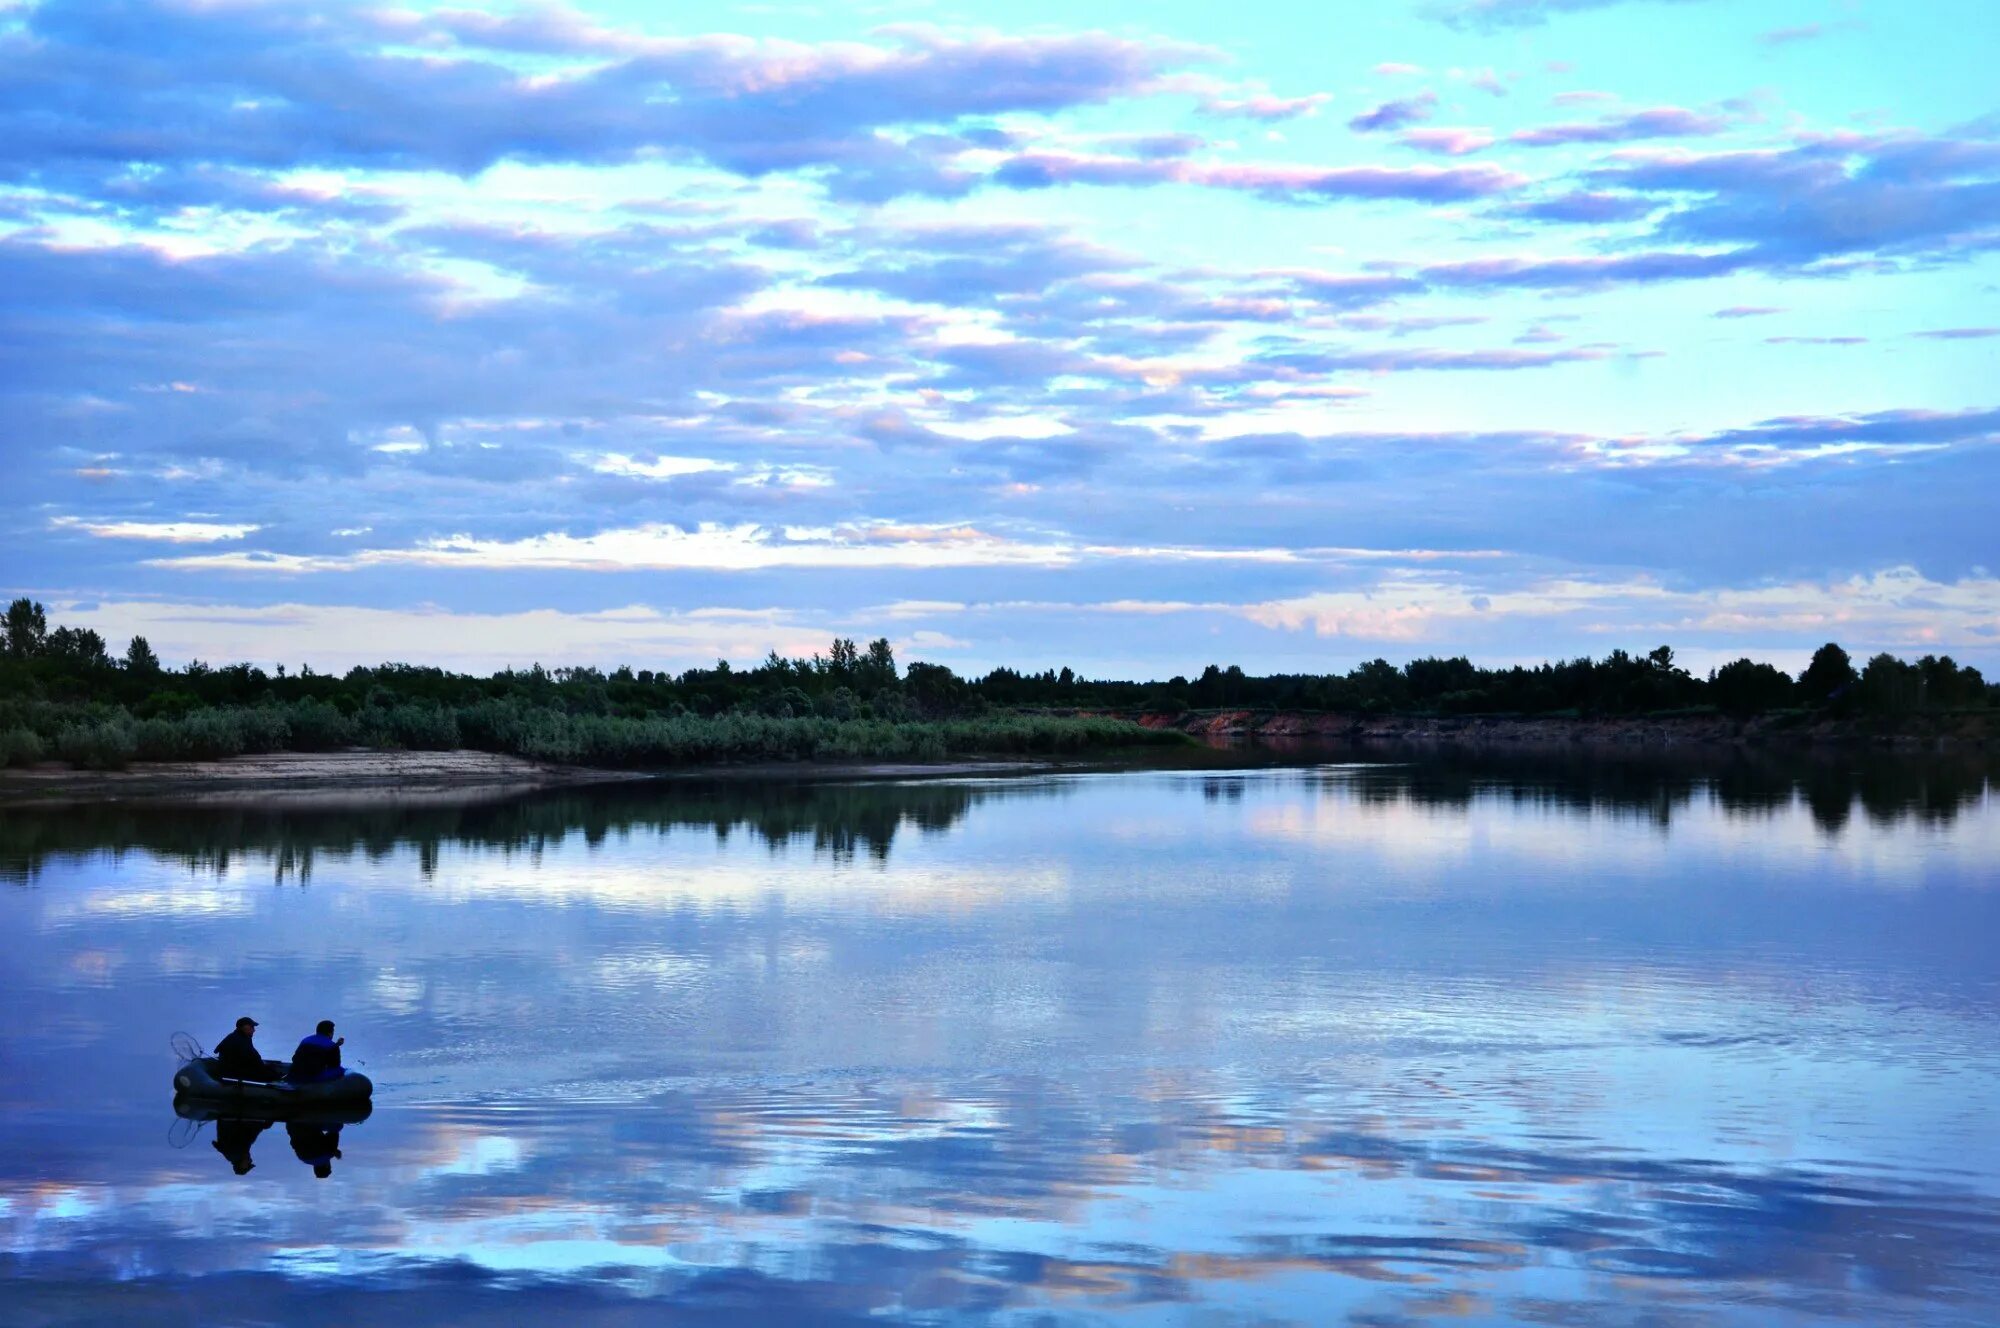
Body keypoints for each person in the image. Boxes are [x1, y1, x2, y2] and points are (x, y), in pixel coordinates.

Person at [214, 1016, 277, 1081]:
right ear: (245, 1027)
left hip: (233, 1071)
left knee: (269, 1069)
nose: (254, 1030)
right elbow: (254, 1059)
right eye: (252, 1027)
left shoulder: (233, 1036)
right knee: (272, 1074)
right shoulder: (241, 1041)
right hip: (235, 1075)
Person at [289, 1019, 346, 1085]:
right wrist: (336, 1046)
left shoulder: (306, 1040)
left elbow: (294, 1058)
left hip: (295, 1073)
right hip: (313, 1077)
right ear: (330, 1033)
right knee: (340, 1070)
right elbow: (335, 1065)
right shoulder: (331, 1045)